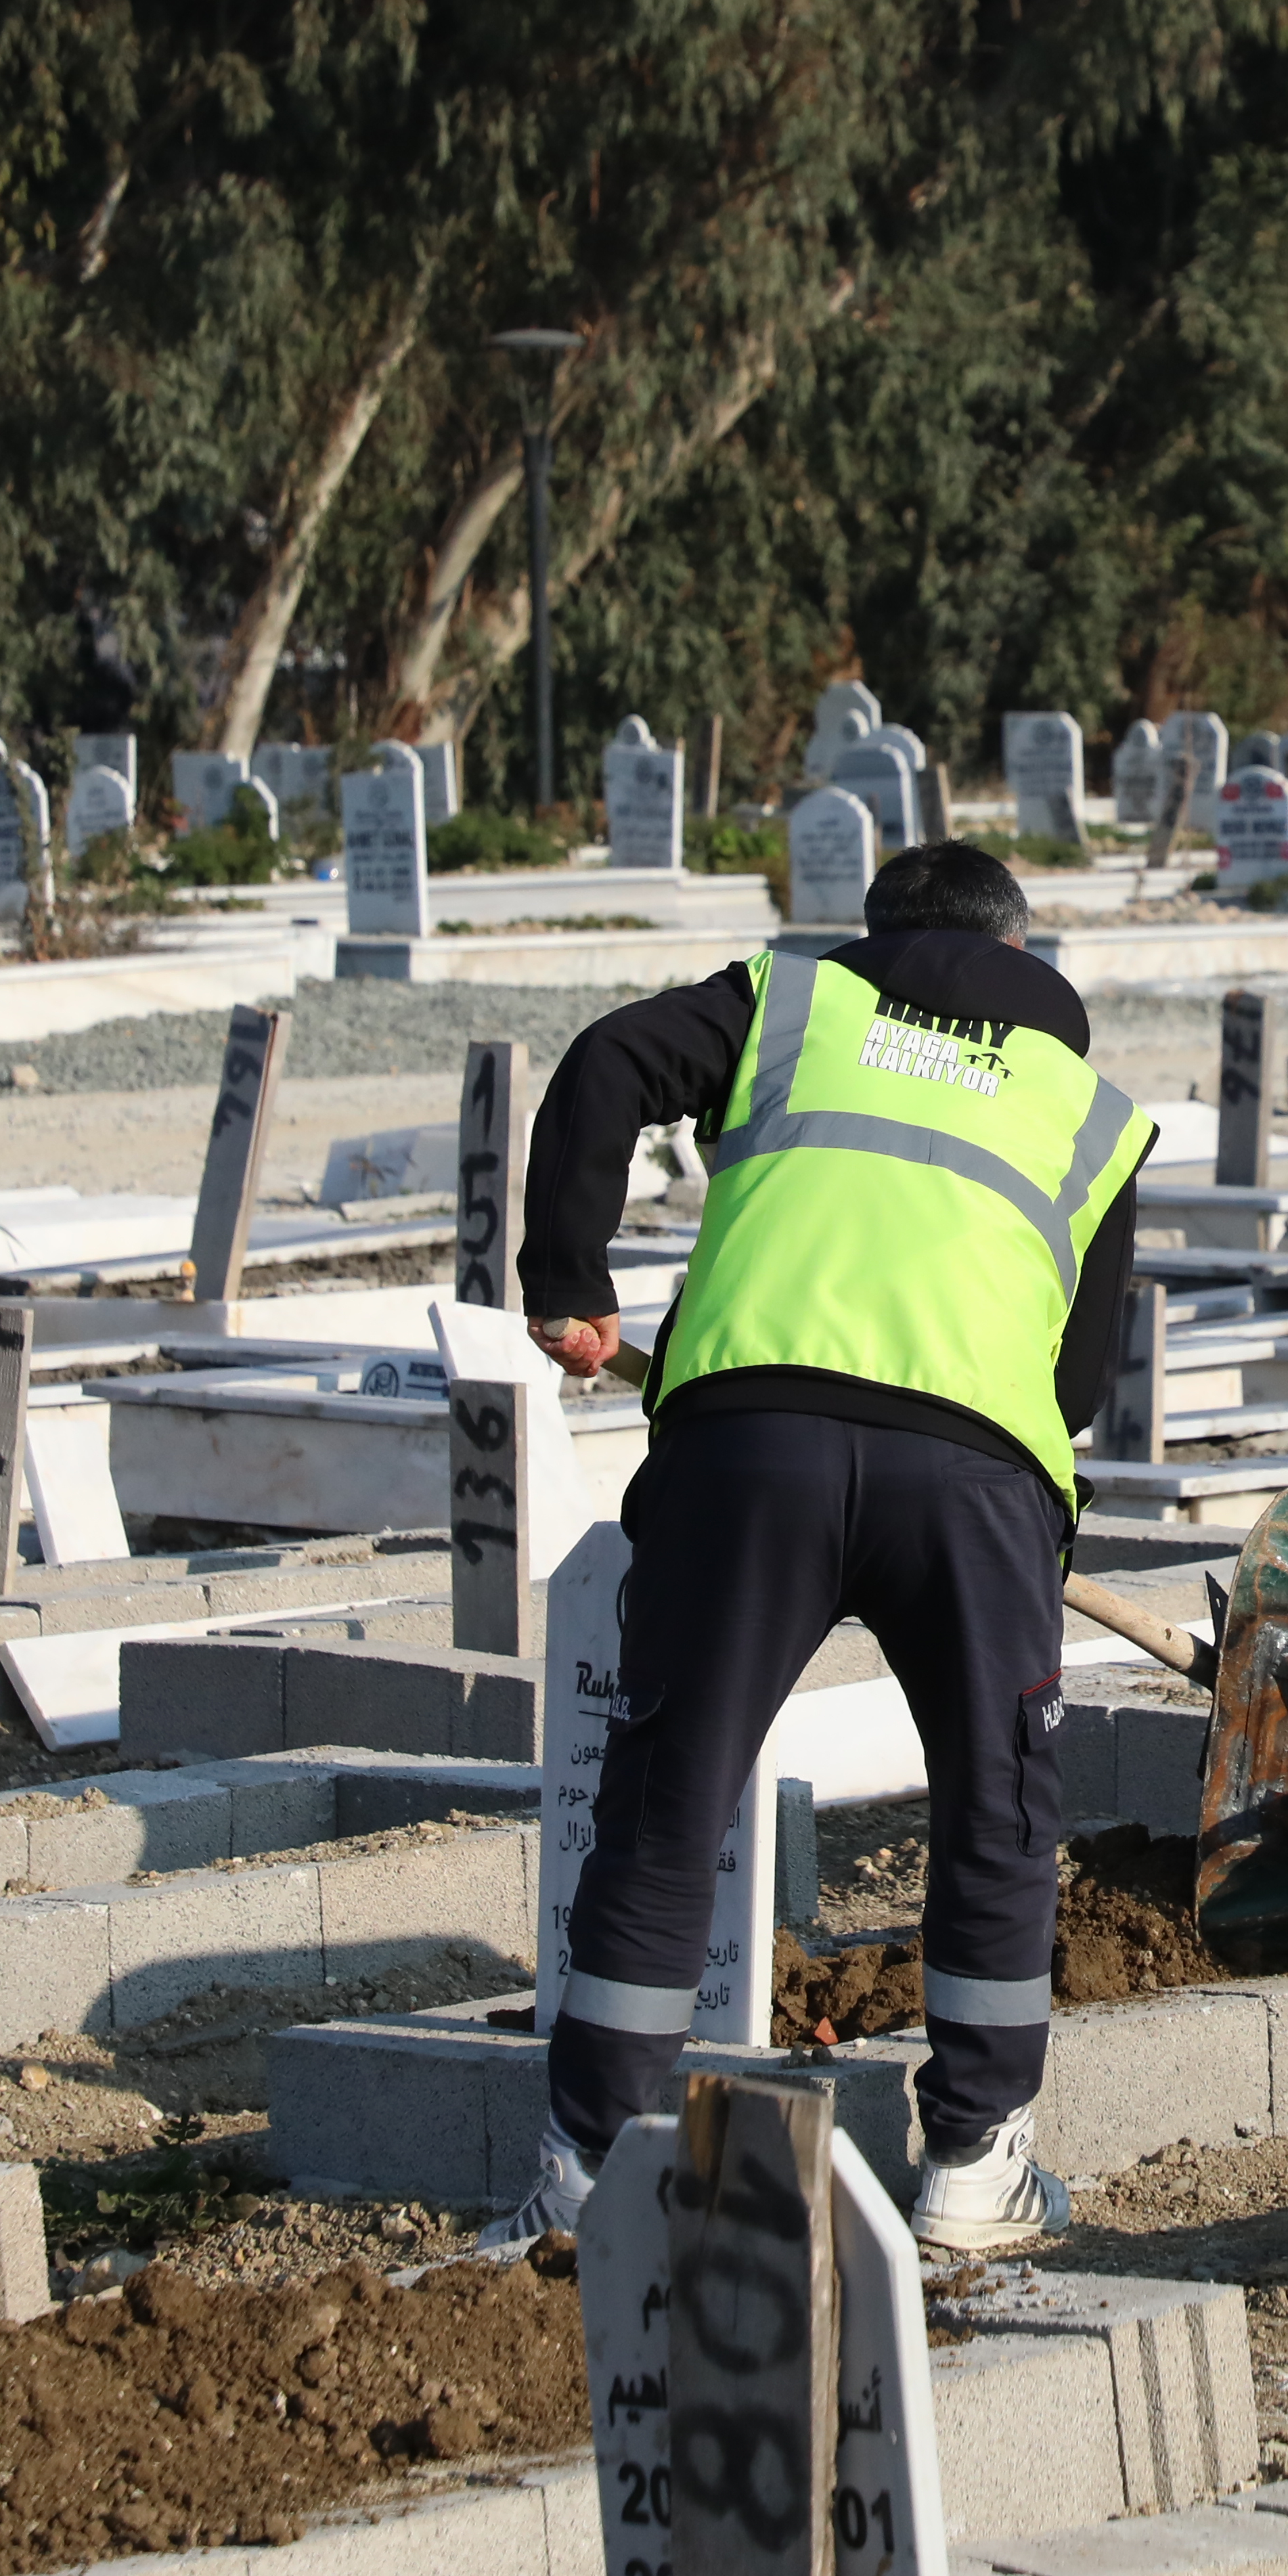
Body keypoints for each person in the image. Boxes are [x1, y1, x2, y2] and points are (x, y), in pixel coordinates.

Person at [505, 839, 1153, 2255]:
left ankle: (591, 2169)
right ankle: (974, 2168)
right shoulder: (1090, 1109)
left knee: (673, 1798)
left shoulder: (791, 1007)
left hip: (749, 1444)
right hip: (974, 1478)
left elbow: (609, 1061)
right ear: (1027, 958)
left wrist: (570, 1276)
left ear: (872, 935)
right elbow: (1082, 1380)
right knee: (994, 1807)